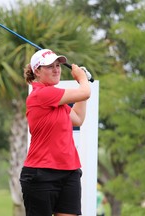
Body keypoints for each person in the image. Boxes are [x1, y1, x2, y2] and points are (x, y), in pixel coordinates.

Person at [20, 49, 91, 216]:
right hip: (41, 174)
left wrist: (84, 81)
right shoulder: (42, 94)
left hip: (69, 171)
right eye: (50, 66)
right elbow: (85, 92)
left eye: (58, 65)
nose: (56, 69)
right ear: (37, 71)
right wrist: (82, 79)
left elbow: (78, 118)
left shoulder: (57, 102)